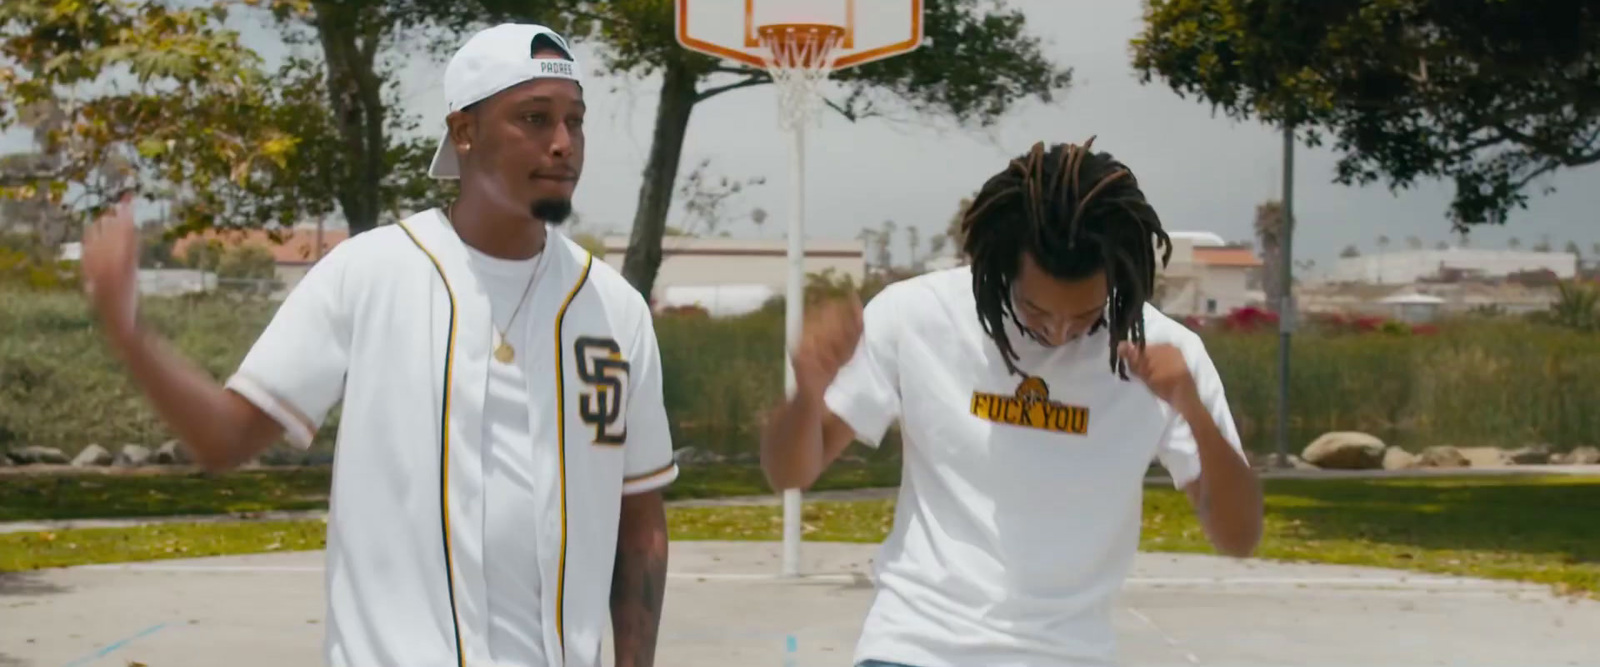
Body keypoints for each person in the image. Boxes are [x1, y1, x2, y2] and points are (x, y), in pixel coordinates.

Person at [78, 23, 676, 667]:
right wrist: (131, 334)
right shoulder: (368, 274)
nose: (562, 144)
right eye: (533, 118)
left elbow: (639, 526)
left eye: (574, 121)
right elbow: (226, 439)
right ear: (464, 132)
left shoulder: (615, 310)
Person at [759, 138, 1264, 667]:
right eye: (1035, 310)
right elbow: (789, 472)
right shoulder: (917, 316)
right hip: (916, 646)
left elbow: (1239, 537)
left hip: (1069, 655)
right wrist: (808, 394)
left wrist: (1193, 411)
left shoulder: (1169, 354)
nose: (1060, 332)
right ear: (997, 269)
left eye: (1086, 314)